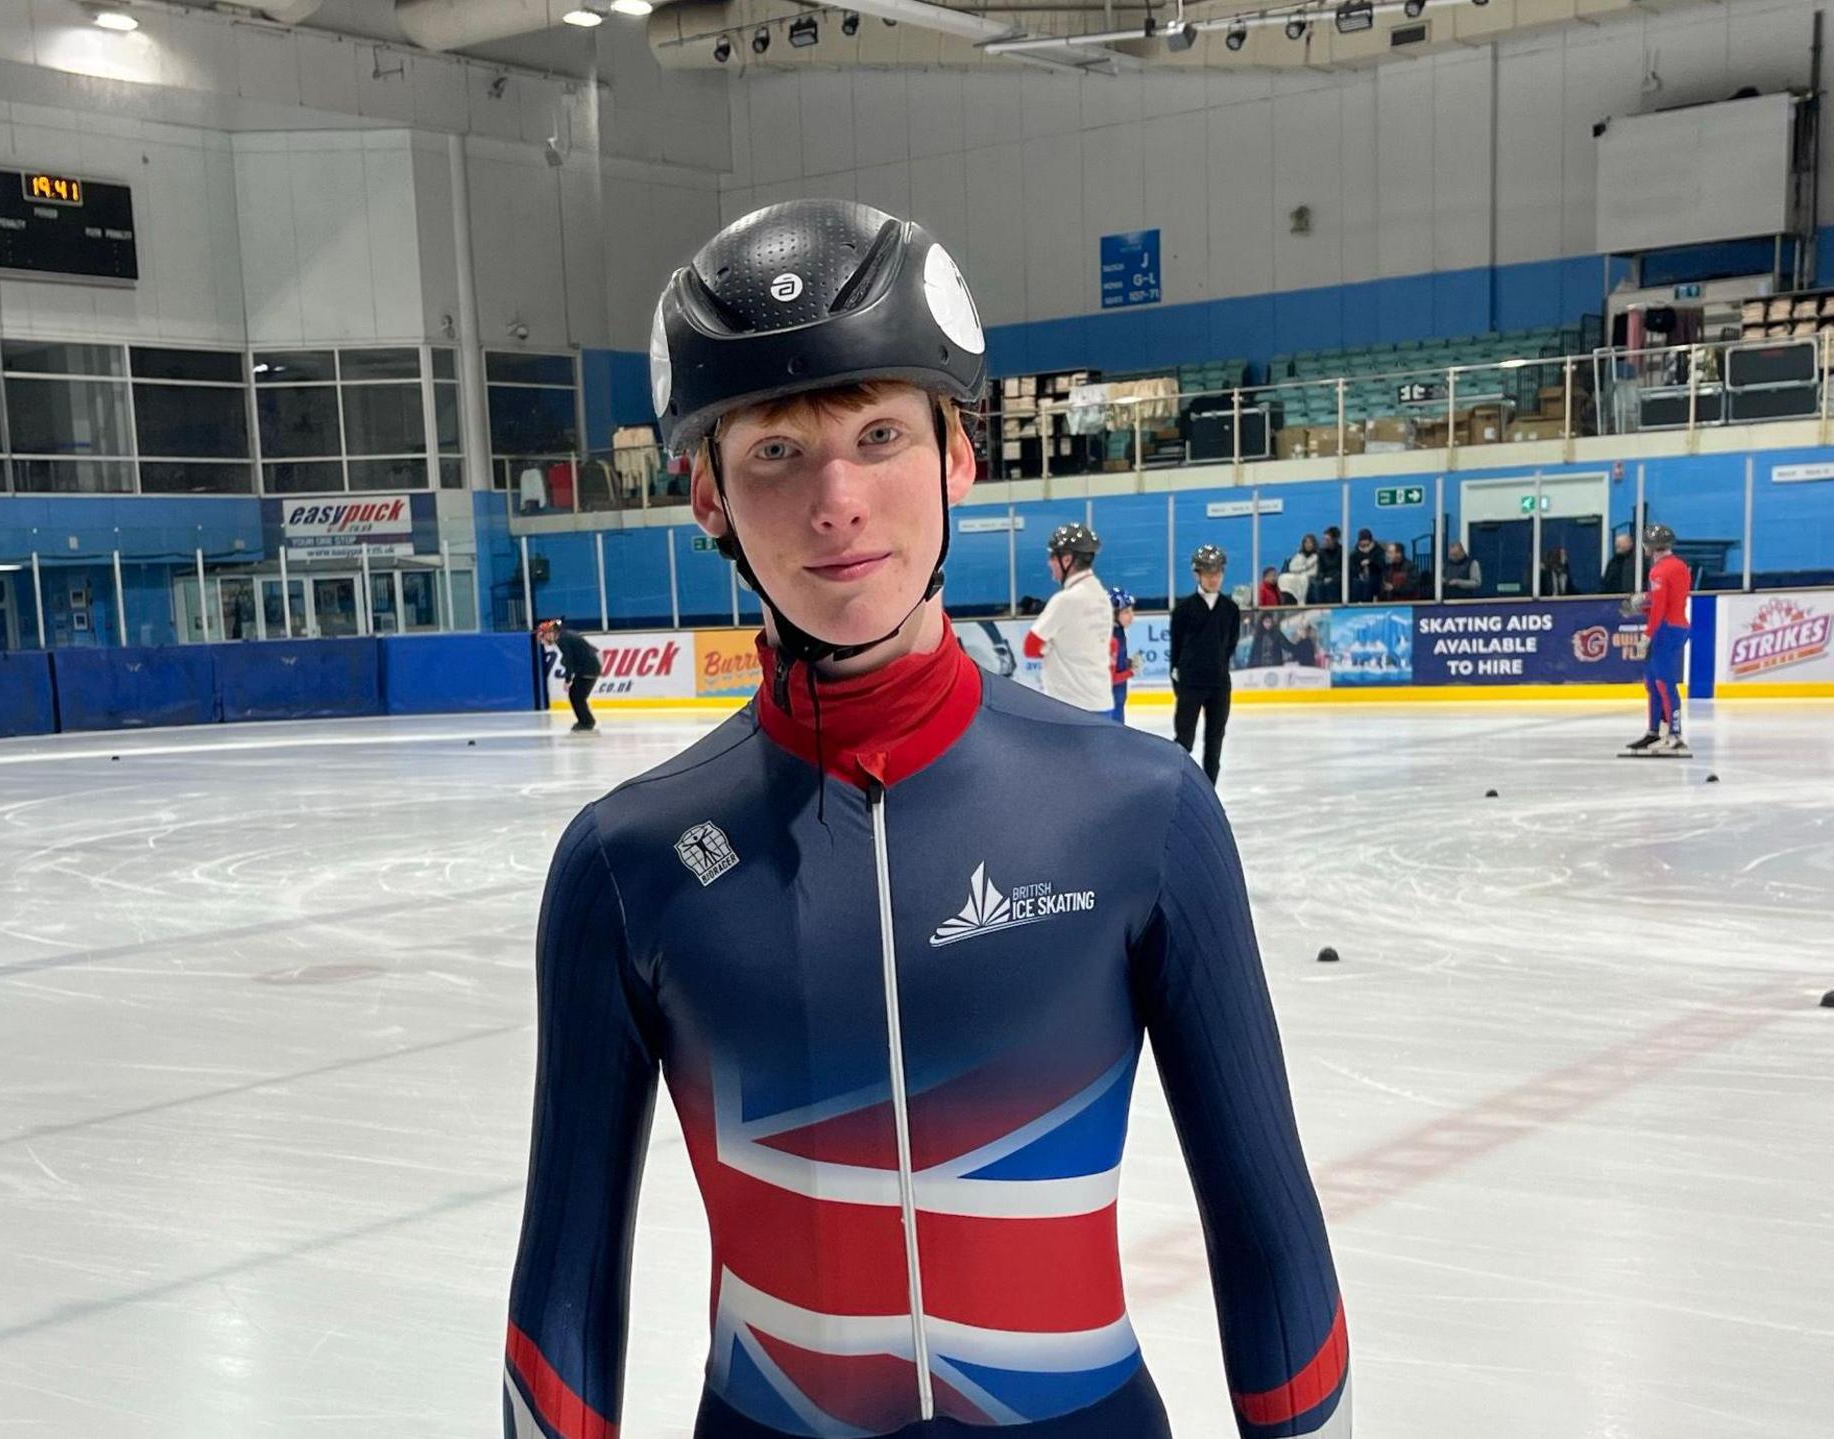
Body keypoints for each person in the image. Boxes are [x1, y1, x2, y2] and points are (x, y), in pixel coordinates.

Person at [507, 199, 1350, 1439]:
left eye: (881, 433)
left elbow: (1271, 1236)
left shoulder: (1141, 811)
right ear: (707, 497)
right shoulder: (627, 866)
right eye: (777, 453)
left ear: (960, 455)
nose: (838, 499)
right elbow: (562, 1293)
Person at [1021, 522, 1119, 714]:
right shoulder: (1101, 596)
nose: (1049, 562)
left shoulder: (1065, 600)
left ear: (1067, 559)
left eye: (1052, 556)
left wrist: (1051, 647)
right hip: (1101, 701)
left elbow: (1030, 647)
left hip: (1070, 706)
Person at [1170, 543, 1240, 784]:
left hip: (1219, 684)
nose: (1213, 578)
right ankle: (1179, 786)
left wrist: (1217, 668)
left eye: (1217, 573)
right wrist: (1180, 684)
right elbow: (1176, 650)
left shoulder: (1231, 610)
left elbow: (1230, 645)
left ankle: (1210, 790)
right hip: (1191, 683)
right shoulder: (1183, 610)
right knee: (1184, 739)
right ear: (1197, 574)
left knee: (1215, 740)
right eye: (1208, 573)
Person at [1624, 523, 1693, 758]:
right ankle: (1655, 731)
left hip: (1665, 628)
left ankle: (1675, 735)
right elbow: (1671, 598)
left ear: (1648, 547)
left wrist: (1647, 634)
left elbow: (1661, 607)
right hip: (1678, 625)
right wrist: (1646, 600)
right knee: (1652, 682)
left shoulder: (1658, 571)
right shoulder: (1680, 565)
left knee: (1663, 682)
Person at [535, 617, 601, 733]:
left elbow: (569, 660)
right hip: (589, 668)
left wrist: (567, 680)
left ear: (550, 633)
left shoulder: (562, 640)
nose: (542, 641)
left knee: (576, 696)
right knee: (576, 696)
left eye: (543, 636)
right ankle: (586, 721)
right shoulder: (565, 635)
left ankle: (587, 722)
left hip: (588, 669)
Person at [1108, 587, 1137, 722]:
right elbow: (1109, 678)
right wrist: (1130, 672)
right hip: (1109, 704)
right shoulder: (1111, 637)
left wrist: (1126, 663)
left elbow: (1114, 665)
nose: (1131, 616)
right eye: (1126, 612)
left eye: (1131, 610)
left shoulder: (1119, 633)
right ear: (1113, 614)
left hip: (1116, 700)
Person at [1282, 532, 1322, 605]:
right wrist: (1305, 567)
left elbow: (1314, 572)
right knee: (1284, 578)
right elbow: (1292, 568)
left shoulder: (1317, 557)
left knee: (1303, 579)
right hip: (1297, 577)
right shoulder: (1299, 556)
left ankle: (1301, 602)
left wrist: (1301, 572)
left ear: (1314, 544)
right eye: (1306, 542)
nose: (1308, 544)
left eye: (1310, 542)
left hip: (1310, 579)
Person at [1598, 529, 1637, 596]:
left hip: (1630, 597)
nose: (1617, 545)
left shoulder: (1637, 562)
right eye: (1617, 543)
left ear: (1630, 544)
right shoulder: (1613, 562)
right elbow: (1607, 581)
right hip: (1612, 598)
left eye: (1621, 543)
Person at [1348, 529, 1381, 603]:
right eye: (1363, 545)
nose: (1365, 547)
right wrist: (1359, 571)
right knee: (1355, 582)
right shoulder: (1354, 555)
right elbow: (1352, 569)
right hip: (1359, 579)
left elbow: (1381, 566)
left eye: (1367, 545)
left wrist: (1370, 562)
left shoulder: (1378, 552)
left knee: (1372, 581)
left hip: (1375, 577)